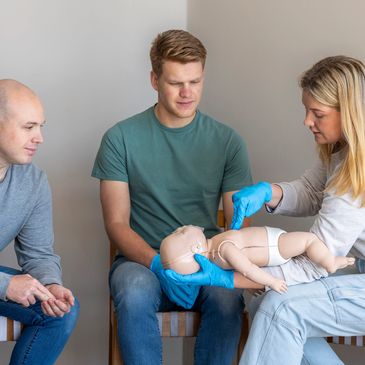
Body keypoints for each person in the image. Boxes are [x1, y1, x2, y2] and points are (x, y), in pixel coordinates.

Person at [169, 55, 365, 365]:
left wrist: (230, 278)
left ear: (351, 114)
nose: (307, 121)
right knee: (264, 302)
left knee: (282, 307)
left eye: (318, 113)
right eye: (306, 110)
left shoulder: (359, 173)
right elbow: (313, 190)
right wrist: (269, 193)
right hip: (358, 274)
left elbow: (312, 266)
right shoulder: (343, 152)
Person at [92, 29, 253, 365]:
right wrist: (156, 263)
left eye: (195, 82)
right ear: (154, 79)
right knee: (133, 292)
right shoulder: (120, 138)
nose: (186, 93)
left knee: (227, 298)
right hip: (141, 263)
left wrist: (216, 259)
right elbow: (116, 223)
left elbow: (238, 225)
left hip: (207, 261)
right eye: (176, 82)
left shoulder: (227, 142)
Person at [0, 79, 79, 365]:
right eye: (28, 127)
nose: (40, 137)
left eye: (41, 126)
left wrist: (50, 284)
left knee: (61, 312)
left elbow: (38, 253)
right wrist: (5, 285)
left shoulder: (33, 182)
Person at [161, 224, 354, 293]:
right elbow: (249, 269)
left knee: (306, 247)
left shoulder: (216, 250)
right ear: (196, 247)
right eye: (181, 231)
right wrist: (272, 282)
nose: (183, 226)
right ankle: (331, 262)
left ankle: (329, 261)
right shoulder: (223, 249)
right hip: (275, 245)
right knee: (309, 241)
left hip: (274, 245)